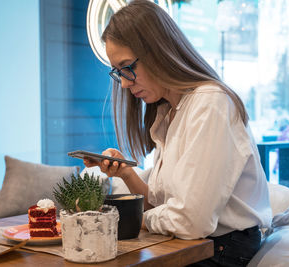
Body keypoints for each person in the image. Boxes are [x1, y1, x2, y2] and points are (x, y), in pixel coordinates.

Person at [84, 1, 272, 266]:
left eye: (128, 67)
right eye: (118, 73)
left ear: (159, 51)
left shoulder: (210, 103)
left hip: (223, 249)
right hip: (198, 243)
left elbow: (191, 222)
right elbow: (163, 205)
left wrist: (136, 220)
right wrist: (126, 173)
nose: (124, 83)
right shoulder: (169, 114)